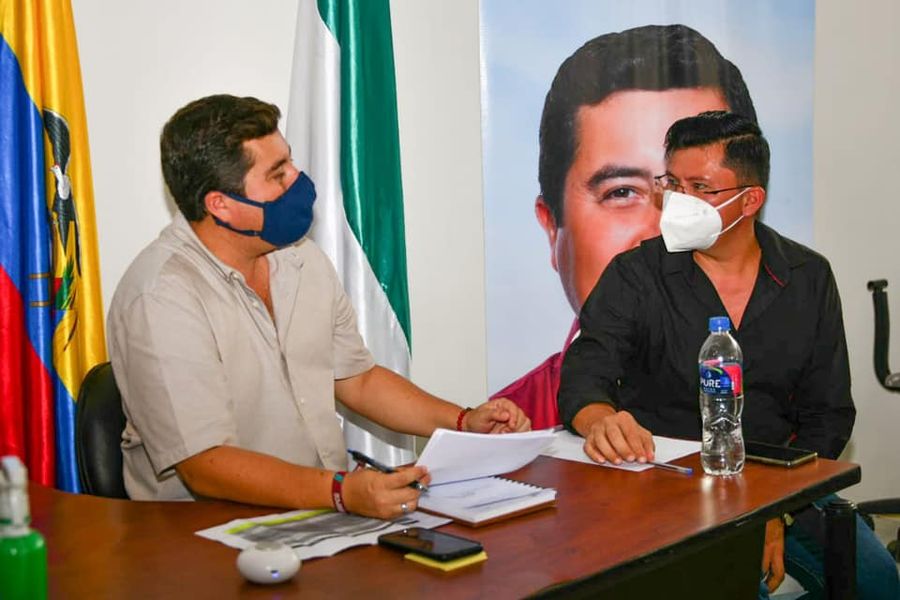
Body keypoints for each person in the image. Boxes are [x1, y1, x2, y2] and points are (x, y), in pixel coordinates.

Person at [106, 94, 531, 519]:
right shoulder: (160, 296)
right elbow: (206, 464)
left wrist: (464, 422)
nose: (297, 178)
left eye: (289, 162)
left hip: (319, 512)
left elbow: (358, 380)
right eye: (278, 174)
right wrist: (341, 492)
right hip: (204, 534)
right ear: (221, 205)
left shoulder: (299, 258)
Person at [558, 111, 899, 599]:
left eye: (700, 188)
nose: (679, 201)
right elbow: (584, 376)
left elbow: (829, 415)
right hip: (669, 487)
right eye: (672, 184)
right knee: (733, 586)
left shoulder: (807, 276)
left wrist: (775, 510)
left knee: (879, 583)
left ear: (750, 200)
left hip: (781, 485)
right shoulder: (636, 275)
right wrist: (601, 421)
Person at [491, 24, 758, 429]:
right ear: (552, 228)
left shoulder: (783, 401)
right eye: (622, 192)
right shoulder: (505, 433)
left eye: (699, 190)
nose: (664, 230)